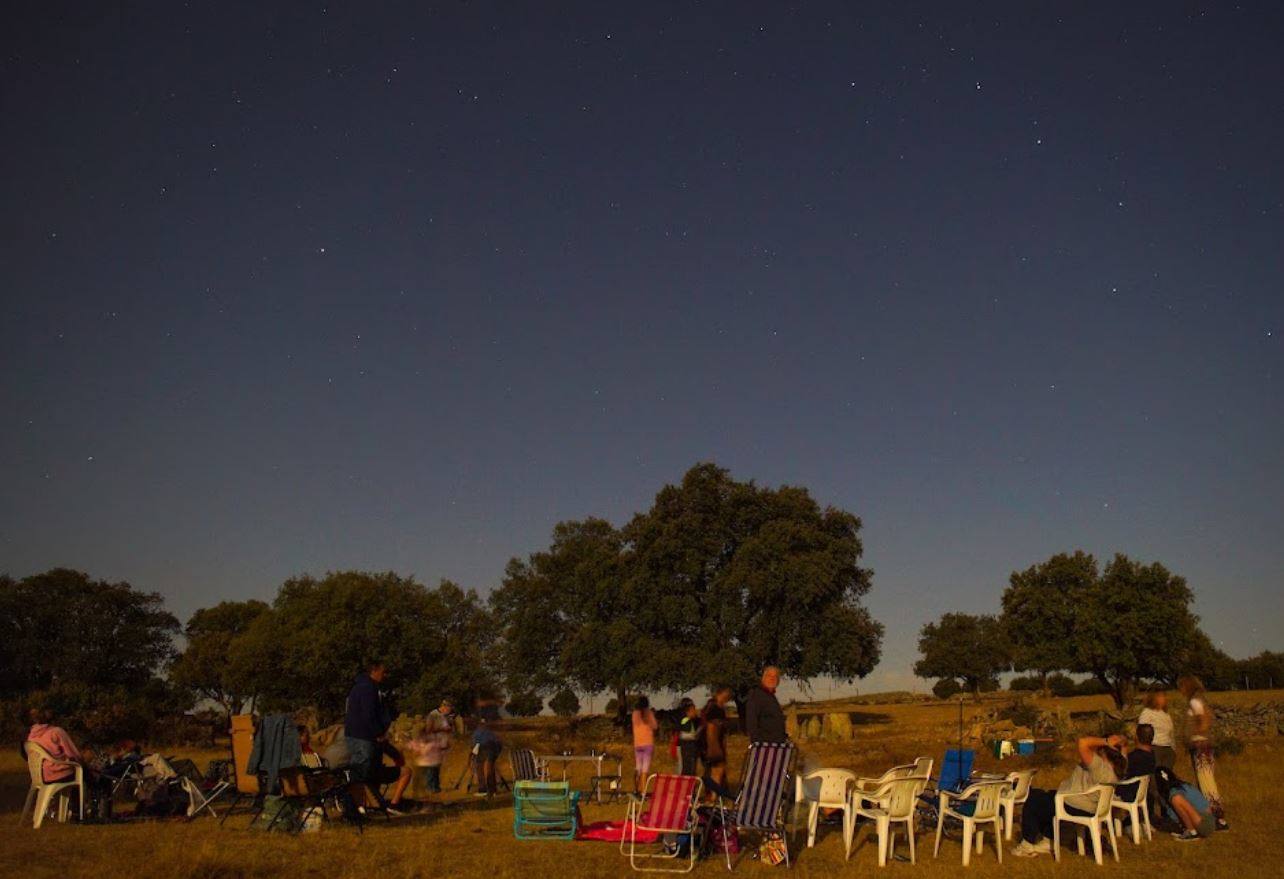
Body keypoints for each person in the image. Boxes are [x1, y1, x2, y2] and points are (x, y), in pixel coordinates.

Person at [1012, 734, 1127, 857]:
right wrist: (1123, 743)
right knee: (1046, 796)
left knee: (1033, 800)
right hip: (1091, 808)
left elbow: (1082, 742)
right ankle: (1048, 840)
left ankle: (1027, 844)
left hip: (1073, 805)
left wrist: (1105, 740)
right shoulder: (1118, 769)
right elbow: (1124, 753)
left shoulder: (1099, 765)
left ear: (1105, 750)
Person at [343, 660, 412, 811]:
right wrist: (378, 733)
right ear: (373, 671)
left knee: (365, 770)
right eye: (383, 672)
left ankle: (365, 804)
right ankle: (354, 807)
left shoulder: (359, 687)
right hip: (364, 737)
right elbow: (369, 715)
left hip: (357, 736)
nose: (385, 675)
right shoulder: (368, 688)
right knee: (362, 772)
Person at [1178, 676, 1228, 831]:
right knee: (1206, 780)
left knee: (1207, 782)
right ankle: (1214, 816)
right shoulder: (1200, 699)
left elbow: (1204, 720)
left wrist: (1196, 735)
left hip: (1200, 746)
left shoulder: (1195, 701)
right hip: (1203, 746)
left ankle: (1218, 818)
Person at [1154, 766, 1216, 840]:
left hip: (1204, 823)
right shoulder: (1181, 786)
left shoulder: (1174, 792)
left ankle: (1191, 832)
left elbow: (1176, 816)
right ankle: (1191, 830)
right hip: (1208, 820)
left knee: (1176, 799)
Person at [699, 687, 734, 797]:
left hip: (715, 742)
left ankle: (712, 794)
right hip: (712, 743)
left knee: (714, 769)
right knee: (717, 769)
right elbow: (711, 728)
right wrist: (714, 747)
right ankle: (713, 795)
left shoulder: (716, 707)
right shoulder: (714, 708)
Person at [744, 666, 787, 744]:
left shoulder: (771, 696)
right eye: (769, 676)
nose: (772, 679)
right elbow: (751, 722)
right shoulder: (757, 696)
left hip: (777, 745)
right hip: (765, 746)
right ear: (763, 678)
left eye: (775, 677)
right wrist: (758, 743)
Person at [1138, 689, 1177, 769]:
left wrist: (1173, 750)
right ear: (1154, 698)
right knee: (1155, 777)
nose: (1164, 698)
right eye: (1161, 696)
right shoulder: (1147, 712)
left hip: (1168, 749)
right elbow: (1141, 732)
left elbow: (1171, 733)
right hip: (1154, 748)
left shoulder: (1166, 714)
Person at [631, 696, 659, 791]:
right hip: (647, 743)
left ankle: (637, 788)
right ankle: (643, 790)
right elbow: (655, 726)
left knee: (638, 767)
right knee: (645, 769)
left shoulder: (635, 714)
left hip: (637, 743)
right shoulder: (649, 713)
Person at [471, 716, 502, 796]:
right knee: (486, 769)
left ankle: (486, 790)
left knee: (484, 769)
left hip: (487, 749)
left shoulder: (479, 733)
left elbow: (474, 745)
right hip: (488, 750)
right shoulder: (489, 732)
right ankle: (489, 790)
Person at [677, 698, 701, 777]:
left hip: (690, 747)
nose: (695, 712)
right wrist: (697, 734)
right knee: (686, 768)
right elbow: (685, 735)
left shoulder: (692, 721)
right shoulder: (685, 720)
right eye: (693, 710)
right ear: (688, 711)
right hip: (686, 747)